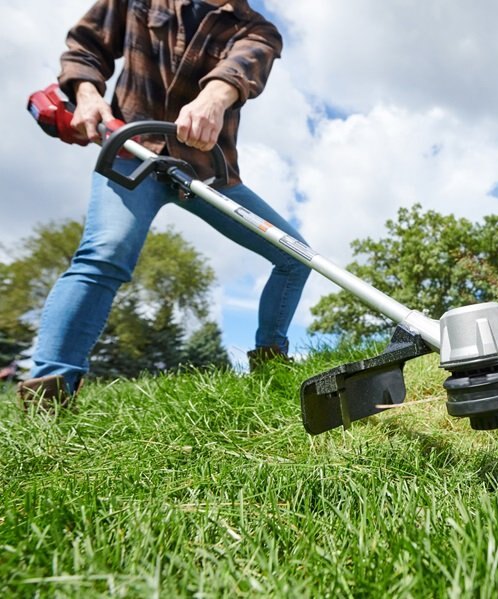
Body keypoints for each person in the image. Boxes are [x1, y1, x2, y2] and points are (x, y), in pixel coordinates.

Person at [18, 0, 310, 411]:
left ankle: (272, 367)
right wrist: (86, 95)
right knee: (106, 251)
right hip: (131, 153)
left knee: (296, 257)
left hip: (207, 170)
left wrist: (213, 98)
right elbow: (86, 47)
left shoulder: (258, 29)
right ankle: (50, 393)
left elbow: (240, 70)